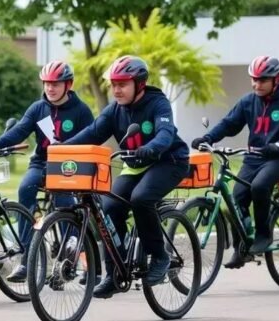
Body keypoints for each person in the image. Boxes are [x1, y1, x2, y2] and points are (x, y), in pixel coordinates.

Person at [66, 55, 189, 296]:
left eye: (122, 84)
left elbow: (165, 134)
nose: (116, 90)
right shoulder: (114, 110)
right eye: (113, 85)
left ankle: (160, 256)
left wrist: (151, 147)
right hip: (136, 164)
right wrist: (60, 148)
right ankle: (115, 273)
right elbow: (91, 134)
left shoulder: (158, 104)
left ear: (139, 84)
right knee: (109, 207)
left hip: (168, 160)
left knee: (141, 198)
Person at [0, 61, 94, 283]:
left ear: (68, 84)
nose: (50, 88)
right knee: (25, 188)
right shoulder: (37, 109)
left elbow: (93, 138)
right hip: (41, 162)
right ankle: (26, 257)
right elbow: (19, 131)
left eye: (56, 84)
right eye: (47, 83)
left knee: (63, 199)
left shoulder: (81, 111)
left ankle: (69, 251)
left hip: (70, 165)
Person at [192, 56, 279, 268]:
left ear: (276, 80)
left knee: (260, 186)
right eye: (254, 79)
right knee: (237, 197)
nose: (256, 84)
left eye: (262, 80)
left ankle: (264, 235)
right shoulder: (248, 101)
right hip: (253, 158)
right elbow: (229, 124)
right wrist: (208, 138)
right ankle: (240, 249)